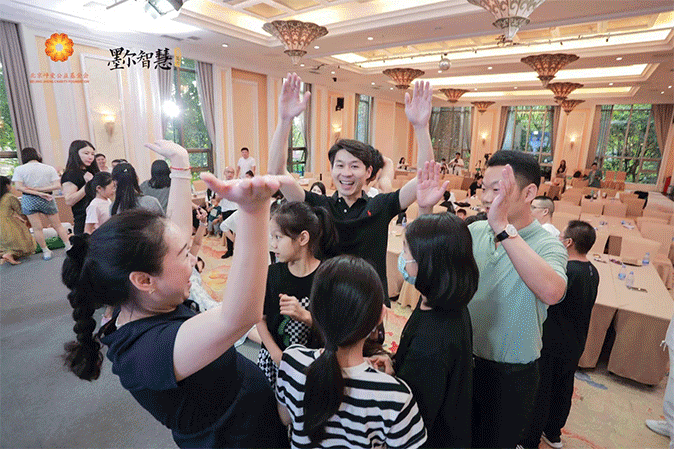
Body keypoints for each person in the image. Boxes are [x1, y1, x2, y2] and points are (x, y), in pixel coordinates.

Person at [61, 139, 289, 448]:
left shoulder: (142, 300)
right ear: (144, 280)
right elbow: (240, 316)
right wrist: (254, 211)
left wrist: (180, 166)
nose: (193, 261)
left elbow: (175, 237)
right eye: (184, 256)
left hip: (253, 415)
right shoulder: (146, 352)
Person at [268, 73, 437, 302]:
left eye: (354, 166)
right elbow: (277, 172)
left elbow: (424, 177)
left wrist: (421, 127)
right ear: (332, 170)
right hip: (327, 298)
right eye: (340, 165)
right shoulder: (319, 206)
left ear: (368, 172)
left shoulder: (381, 205)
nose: (346, 173)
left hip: (370, 302)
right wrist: (285, 120)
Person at [466, 151, 568, 448]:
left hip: (510, 374)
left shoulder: (548, 244)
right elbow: (431, 266)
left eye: (497, 189)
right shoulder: (474, 230)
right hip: (464, 359)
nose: (487, 198)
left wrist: (503, 229)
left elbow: (553, 292)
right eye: (484, 188)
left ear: (529, 193)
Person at [275, 255, 427, 448]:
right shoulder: (396, 397)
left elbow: (284, 418)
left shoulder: (291, 360)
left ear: (315, 311)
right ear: (380, 316)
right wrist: (384, 381)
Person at [372, 212, 478, 447]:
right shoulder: (446, 301)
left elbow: (412, 416)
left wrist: (391, 379)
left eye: (406, 253)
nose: (402, 259)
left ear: (428, 265)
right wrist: (395, 363)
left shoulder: (431, 344)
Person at [521, 221, 599, 449]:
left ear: (569, 242)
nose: (558, 238)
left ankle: (529, 440)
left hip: (554, 340)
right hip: (575, 341)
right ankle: (553, 433)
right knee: (563, 388)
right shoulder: (592, 270)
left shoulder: (567, 271)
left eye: (561, 235)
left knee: (542, 390)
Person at [256, 201, 337, 389]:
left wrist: (305, 316)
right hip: (274, 359)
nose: (273, 245)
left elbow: (335, 331)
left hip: (311, 364)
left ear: (303, 238)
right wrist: (276, 355)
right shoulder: (272, 274)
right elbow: (260, 319)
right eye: (272, 237)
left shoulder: (326, 277)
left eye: (278, 237)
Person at [12, 147, 72, 258]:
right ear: (37, 155)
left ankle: (46, 251)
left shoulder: (19, 169)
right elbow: (57, 186)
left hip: (29, 198)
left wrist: (35, 191)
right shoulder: (48, 168)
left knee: (37, 228)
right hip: (47, 197)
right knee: (57, 225)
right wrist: (41, 192)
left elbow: (18, 187)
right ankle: (68, 246)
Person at [61, 140, 99, 235]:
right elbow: (69, 200)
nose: (90, 157)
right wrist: (88, 184)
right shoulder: (71, 174)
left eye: (92, 154)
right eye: (86, 153)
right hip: (83, 222)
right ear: (76, 154)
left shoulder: (91, 172)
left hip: (98, 219)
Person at [0, 176, 35, 264]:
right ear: (6, 185)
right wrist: (26, 220)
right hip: (10, 224)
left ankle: (7, 256)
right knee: (22, 242)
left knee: (7, 244)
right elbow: (20, 211)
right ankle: (9, 254)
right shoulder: (9, 197)